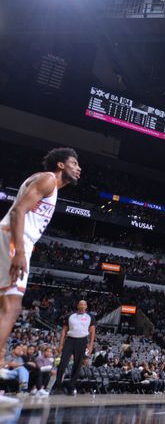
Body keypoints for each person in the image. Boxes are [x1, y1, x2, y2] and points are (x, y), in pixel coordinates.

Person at [0, 148, 80, 405]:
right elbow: (17, 211)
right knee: (11, 308)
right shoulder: (47, 180)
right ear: (60, 164)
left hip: (13, 239)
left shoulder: (48, 186)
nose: (79, 168)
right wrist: (20, 251)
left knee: (7, 306)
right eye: (74, 163)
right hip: (14, 239)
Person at [53, 299, 96, 395]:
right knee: (63, 363)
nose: (82, 306)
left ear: (86, 306)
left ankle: (71, 387)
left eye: (84, 304)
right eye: (80, 304)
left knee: (77, 365)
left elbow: (92, 332)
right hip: (70, 340)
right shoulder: (70, 315)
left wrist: (90, 345)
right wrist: (60, 344)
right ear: (77, 306)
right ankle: (57, 385)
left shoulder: (90, 317)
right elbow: (64, 331)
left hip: (82, 340)